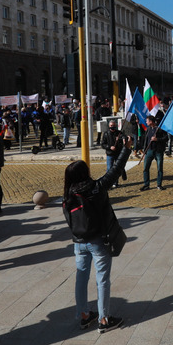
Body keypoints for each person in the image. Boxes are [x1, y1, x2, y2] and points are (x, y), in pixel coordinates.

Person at [63, 131, 133, 333]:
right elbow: (116, 170)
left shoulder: (68, 195)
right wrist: (126, 149)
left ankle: (84, 315)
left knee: (81, 277)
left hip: (78, 241)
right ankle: (104, 320)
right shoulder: (96, 188)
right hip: (98, 241)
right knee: (102, 279)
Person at [139, 115, 168, 191]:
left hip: (158, 151)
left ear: (151, 121)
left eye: (147, 121)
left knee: (159, 169)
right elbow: (146, 141)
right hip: (149, 151)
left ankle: (159, 184)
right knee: (145, 168)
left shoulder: (160, 129)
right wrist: (144, 152)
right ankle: (146, 184)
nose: (146, 122)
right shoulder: (148, 129)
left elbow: (166, 138)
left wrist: (157, 139)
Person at [100, 120, 124, 188]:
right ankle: (108, 183)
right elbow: (102, 144)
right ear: (109, 126)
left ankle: (115, 182)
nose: (112, 127)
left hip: (117, 153)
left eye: (113, 126)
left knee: (116, 169)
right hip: (110, 154)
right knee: (109, 169)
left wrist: (119, 140)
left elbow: (123, 142)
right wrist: (109, 147)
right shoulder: (106, 133)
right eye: (111, 126)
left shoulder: (119, 133)